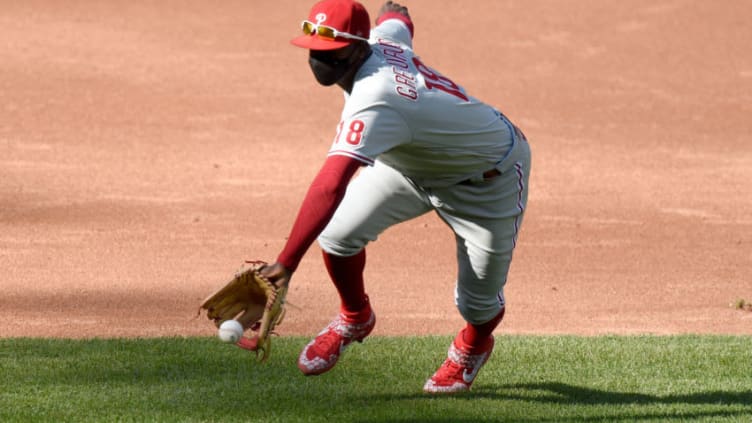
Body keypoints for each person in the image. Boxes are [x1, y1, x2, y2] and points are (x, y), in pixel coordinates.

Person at [257, 0, 531, 394]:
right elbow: (395, 23)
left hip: (486, 181)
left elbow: (330, 184)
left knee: (478, 304)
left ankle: (473, 345)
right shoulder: (381, 42)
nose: (319, 59)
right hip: (411, 166)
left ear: (357, 47)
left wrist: (286, 264)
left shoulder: (377, 97)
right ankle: (355, 317)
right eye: (314, 49)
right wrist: (395, 12)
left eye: (330, 52)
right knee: (337, 236)